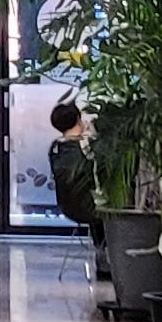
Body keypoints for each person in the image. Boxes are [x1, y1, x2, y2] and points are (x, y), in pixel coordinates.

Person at [46, 99, 101, 236]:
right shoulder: (86, 147)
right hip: (90, 205)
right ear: (78, 119)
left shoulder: (55, 148)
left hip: (67, 205)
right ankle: (104, 246)